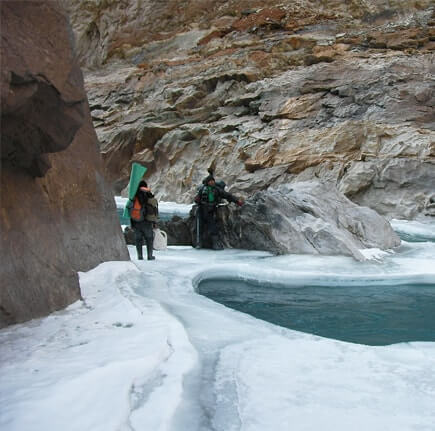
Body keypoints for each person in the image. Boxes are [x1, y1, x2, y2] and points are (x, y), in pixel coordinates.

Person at [194, 173, 243, 250]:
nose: (212, 182)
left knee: (213, 227)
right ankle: (198, 243)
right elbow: (197, 199)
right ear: (207, 182)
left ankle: (215, 244)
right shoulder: (202, 189)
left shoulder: (217, 190)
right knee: (199, 227)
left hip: (210, 211)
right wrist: (196, 200)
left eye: (213, 181)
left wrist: (237, 201)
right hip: (201, 210)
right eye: (210, 181)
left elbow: (227, 195)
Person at [130, 180, 159, 260]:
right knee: (149, 239)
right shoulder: (148, 194)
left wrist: (131, 222)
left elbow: (129, 208)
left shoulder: (134, 195)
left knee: (138, 239)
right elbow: (154, 206)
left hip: (136, 221)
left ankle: (140, 256)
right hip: (147, 221)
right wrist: (154, 222)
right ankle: (150, 256)